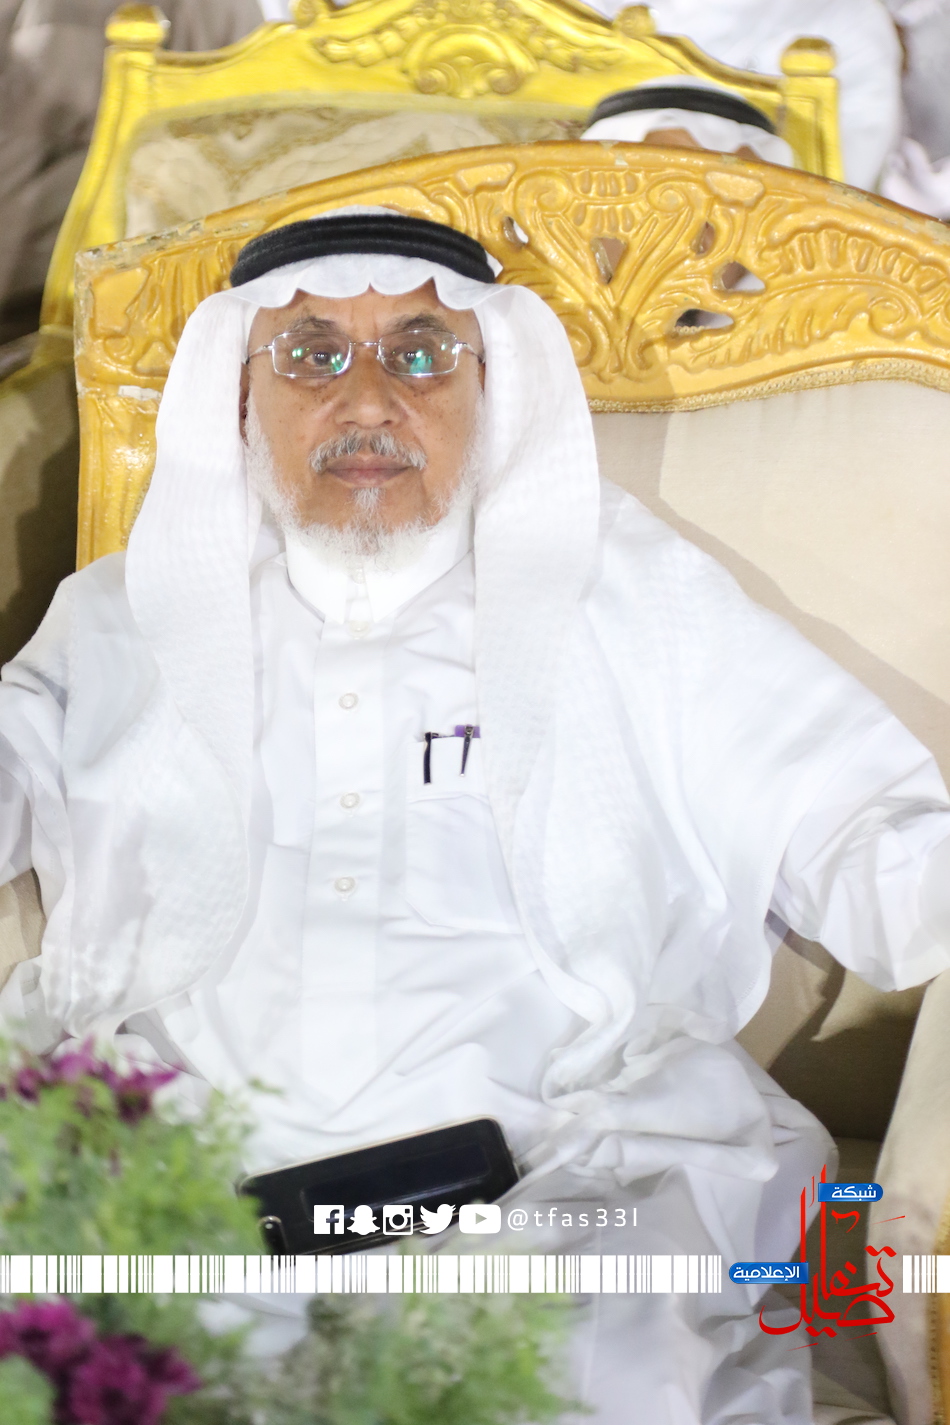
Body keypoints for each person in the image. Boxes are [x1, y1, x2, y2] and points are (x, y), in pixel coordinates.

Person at [2, 206, 950, 1421]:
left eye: (419, 353)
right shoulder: (128, 614)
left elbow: (868, 826)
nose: (365, 400)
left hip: (563, 1180)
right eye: (311, 354)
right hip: (180, 1186)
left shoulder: (626, 596)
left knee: (597, 1367)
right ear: (241, 395)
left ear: (488, 389)